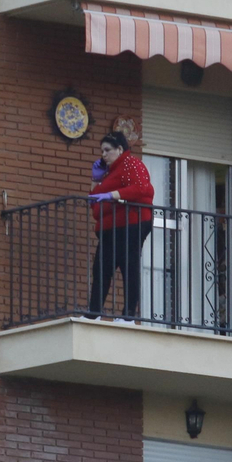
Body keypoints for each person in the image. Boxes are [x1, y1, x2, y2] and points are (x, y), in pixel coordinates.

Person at [87, 131, 156, 321]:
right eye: (101, 151)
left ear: (119, 149)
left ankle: (128, 316)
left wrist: (113, 195)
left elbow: (143, 188)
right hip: (111, 229)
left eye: (107, 150)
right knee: (101, 269)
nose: (103, 155)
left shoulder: (131, 164)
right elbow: (93, 201)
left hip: (131, 224)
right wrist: (96, 181)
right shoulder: (110, 174)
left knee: (129, 266)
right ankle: (94, 313)